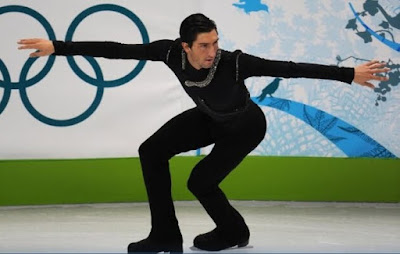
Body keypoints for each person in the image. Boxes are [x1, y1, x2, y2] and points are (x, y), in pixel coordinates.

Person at [18, 13, 389, 253]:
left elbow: (291, 68)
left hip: (245, 127)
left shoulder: (236, 62)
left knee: (200, 181)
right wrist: (58, 48)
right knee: (151, 151)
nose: (213, 50)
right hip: (210, 118)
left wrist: (349, 75)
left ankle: (234, 232)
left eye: (215, 42)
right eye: (204, 45)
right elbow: (118, 50)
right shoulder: (169, 54)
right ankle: (165, 235)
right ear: (186, 46)